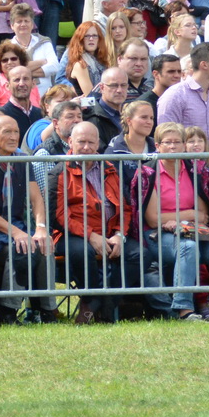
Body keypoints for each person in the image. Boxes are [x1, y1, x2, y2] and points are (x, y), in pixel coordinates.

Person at [53, 120, 154, 322]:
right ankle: (91, 302)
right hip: (72, 234)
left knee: (140, 254)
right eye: (81, 142)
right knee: (83, 252)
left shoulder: (110, 168)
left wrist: (119, 235)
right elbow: (59, 215)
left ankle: (106, 301)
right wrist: (90, 236)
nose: (86, 148)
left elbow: (125, 208)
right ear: (70, 142)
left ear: (99, 143)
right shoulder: (60, 171)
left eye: (91, 142)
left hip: (109, 234)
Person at [144, 122, 209, 319]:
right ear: (157, 146)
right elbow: (153, 219)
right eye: (167, 142)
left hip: (194, 229)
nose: (172, 147)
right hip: (159, 234)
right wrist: (189, 214)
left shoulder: (195, 171)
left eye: (177, 142)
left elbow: (203, 214)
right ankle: (185, 309)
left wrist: (181, 218)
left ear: (183, 145)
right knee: (187, 247)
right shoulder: (148, 173)